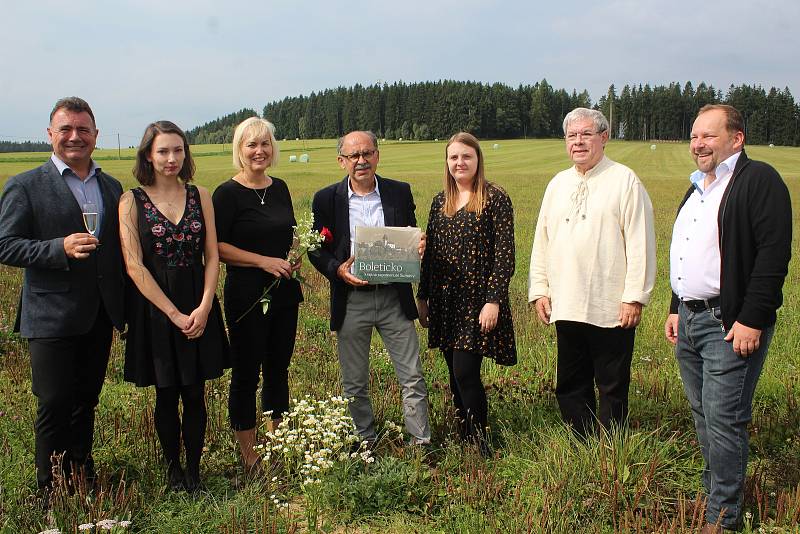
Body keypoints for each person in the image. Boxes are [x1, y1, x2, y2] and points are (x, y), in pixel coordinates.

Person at [664, 105, 792, 533]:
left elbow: (773, 255)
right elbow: (689, 252)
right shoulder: (698, 187)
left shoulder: (759, 181)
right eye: (694, 136)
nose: (698, 144)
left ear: (736, 139)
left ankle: (722, 518)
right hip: (690, 317)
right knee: (704, 416)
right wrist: (673, 306)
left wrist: (753, 318)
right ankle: (715, 494)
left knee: (723, 418)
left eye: (708, 136)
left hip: (728, 322)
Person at [0, 97, 126, 492]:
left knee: (86, 400)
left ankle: (81, 474)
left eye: (83, 129)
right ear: (50, 134)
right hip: (50, 314)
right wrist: (58, 248)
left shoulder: (111, 185)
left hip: (98, 314)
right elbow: (5, 245)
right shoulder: (24, 185)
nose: (75, 137)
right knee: (53, 403)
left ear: (96, 136)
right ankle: (48, 489)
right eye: (66, 129)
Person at [528, 107, 656, 437]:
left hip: (610, 304)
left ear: (604, 137)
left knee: (611, 383)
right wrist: (540, 289)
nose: (578, 142)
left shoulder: (625, 180)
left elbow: (641, 241)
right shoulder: (558, 184)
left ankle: (611, 446)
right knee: (571, 380)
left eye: (586, 134)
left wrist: (634, 297)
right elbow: (542, 239)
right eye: (572, 136)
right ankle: (580, 441)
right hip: (566, 302)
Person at [119, 121, 229, 492]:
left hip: (199, 301)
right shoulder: (130, 200)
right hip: (156, 309)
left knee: (196, 393)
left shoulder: (201, 195)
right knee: (166, 392)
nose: (171, 159)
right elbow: (134, 265)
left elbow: (212, 256)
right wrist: (174, 313)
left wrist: (204, 307)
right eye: (163, 151)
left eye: (178, 150)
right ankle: (173, 471)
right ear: (148, 155)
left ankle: (195, 471)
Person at [309, 130, 431, 447]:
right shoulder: (325, 199)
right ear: (341, 161)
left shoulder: (398, 192)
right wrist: (336, 269)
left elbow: (411, 234)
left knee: (412, 376)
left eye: (367, 153)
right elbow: (315, 249)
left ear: (377, 155)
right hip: (352, 300)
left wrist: (419, 244)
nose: (361, 161)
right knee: (354, 381)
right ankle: (365, 443)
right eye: (354, 156)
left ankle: (420, 442)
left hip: (394, 297)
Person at [212, 117, 302, 472]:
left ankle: (275, 444)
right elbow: (217, 247)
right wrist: (263, 262)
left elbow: (290, 232)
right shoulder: (227, 193)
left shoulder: (279, 187)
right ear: (240, 150)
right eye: (251, 145)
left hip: (284, 294)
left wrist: (294, 254)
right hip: (247, 296)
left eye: (264, 144)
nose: (259, 151)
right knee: (246, 373)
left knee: (278, 369)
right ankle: (250, 455)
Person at [417, 132, 515, 455]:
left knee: (465, 371)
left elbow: (505, 256)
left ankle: (481, 445)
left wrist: (494, 299)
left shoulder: (495, 199)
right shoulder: (438, 202)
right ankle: (464, 434)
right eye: (454, 157)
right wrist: (422, 297)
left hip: (477, 302)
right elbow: (429, 256)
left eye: (466, 157)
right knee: (453, 374)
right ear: (447, 162)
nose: (460, 162)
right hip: (445, 302)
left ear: (477, 160)